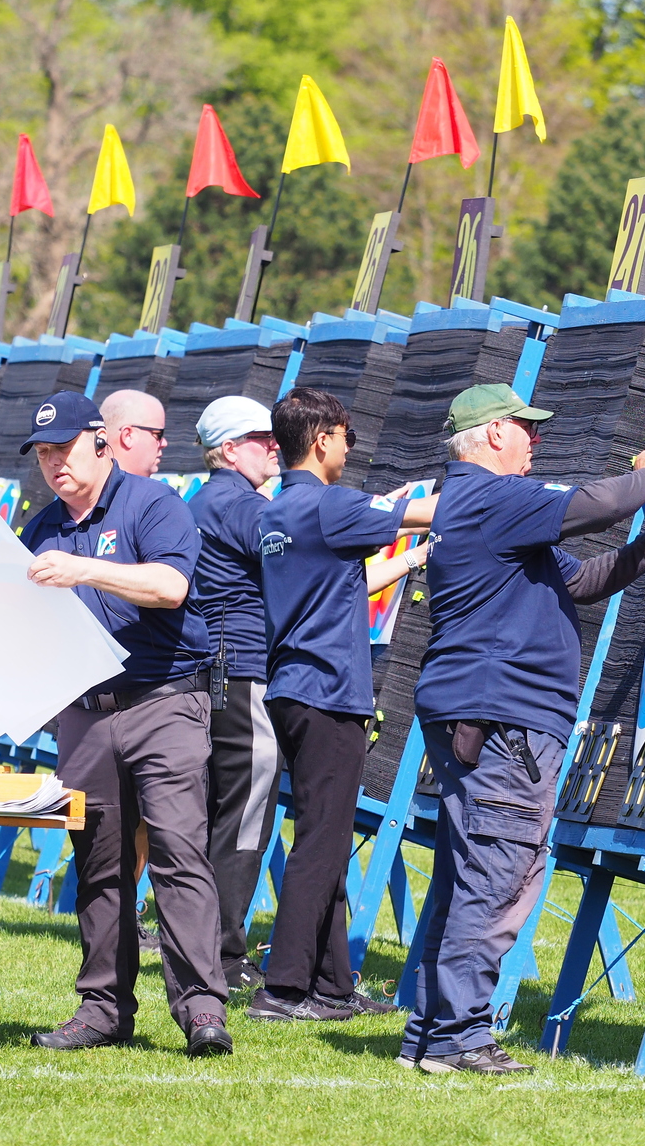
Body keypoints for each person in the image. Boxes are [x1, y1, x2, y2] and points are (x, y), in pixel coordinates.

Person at [0, 391, 230, 1057]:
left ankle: (202, 1013)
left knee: (178, 853)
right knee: (98, 862)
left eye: (65, 449)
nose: (54, 464)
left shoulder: (153, 504)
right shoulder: (40, 526)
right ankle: (104, 1010)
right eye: (44, 454)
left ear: (102, 445)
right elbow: (12, 623)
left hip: (166, 701)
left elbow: (171, 587)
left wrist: (85, 570)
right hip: (85, 712)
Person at [400, 383, 645, 1073]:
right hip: (504, 720)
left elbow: (584, 580)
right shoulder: (491, 497)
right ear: (491, 436)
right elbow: (599, 505)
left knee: (471, 871)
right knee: (499, 874)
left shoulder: (479, 510)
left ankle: (430, 1033)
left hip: (479, 715)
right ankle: (457, 1037)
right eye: (524, 427)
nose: (535, 440)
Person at [250, 387, 438, 1022]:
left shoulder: (278, 513)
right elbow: (424, 510)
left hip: (294, 689)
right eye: (346, 434)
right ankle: (282, 989)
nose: (350, 445)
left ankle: (331, 985)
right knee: (322, 843)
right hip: (331, 691)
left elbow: (344, 585)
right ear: (322, 438)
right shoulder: (332, 506)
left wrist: (412, 562)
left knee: (322, 835)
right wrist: (493, 495)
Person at [186, 395, 282, 992]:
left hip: (222, 669)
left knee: (221, 813)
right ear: (227, 449)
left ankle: (206, 944)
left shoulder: (208, 499)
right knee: (244, 815)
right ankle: (221, 955)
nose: (275, 444)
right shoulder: (237, 502)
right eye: (260, 437)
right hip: (241, 672)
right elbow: (301, 566)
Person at [97, 387, 168, 954]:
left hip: (158, 696)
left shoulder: (157, 502)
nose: (165, 445)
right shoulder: (85, 509)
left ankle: (134, 911)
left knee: (151, 822)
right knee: (112, 831)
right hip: (99, 704)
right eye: (156, 434)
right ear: (125, 436)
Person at [100, 388, 167, 478]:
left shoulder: (81, 486)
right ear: (128, 436)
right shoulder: (157, 491)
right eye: (158, 435)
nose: (164, 443)